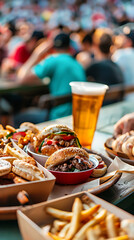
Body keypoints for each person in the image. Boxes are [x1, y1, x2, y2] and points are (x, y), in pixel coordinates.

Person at [17, 32, 86, 120]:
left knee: (17, 117)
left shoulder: (53, 60)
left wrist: (37, 54)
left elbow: (22, 79)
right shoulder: (77, 63)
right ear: (69, 47)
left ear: (52, 47)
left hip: (59, 116)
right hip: (78, 115)